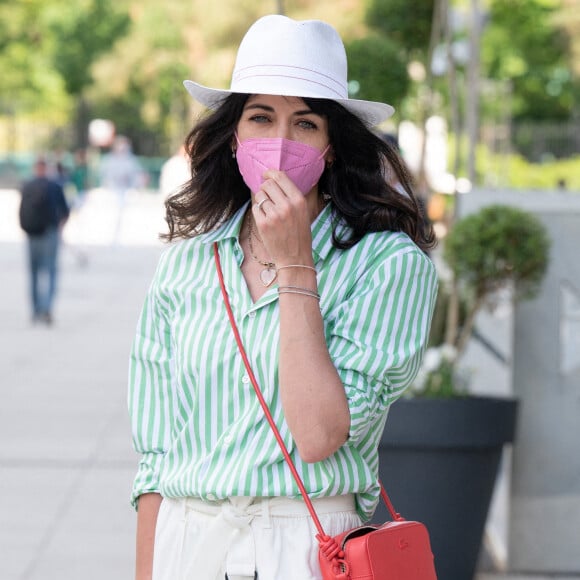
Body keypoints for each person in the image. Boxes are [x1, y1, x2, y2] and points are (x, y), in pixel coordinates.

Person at [128, 14, 438, 580]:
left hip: (305, 546)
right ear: (235, 136)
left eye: (305, 123)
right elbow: (155, 460)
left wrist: (297, 265)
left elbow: (319, 435)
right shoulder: (186, 264)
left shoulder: (387, 267)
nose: (278, 142)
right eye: (261, 117)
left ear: (333, 147)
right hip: (187, 540)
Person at [19, 157, 70, 325]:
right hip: (50, 233)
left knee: (33, 273)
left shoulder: (27, 185)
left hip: (31, 234)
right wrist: (59, 230)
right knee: (51, 272)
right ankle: (47, 307)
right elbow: (65, 212)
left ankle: (35, 310)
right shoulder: (54, 186)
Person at [99, 135, 143, 244]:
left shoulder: (131, 160)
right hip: (112, 192)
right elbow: (105, 176)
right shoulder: (109, 160)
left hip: (126, 192)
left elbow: (137, 176)